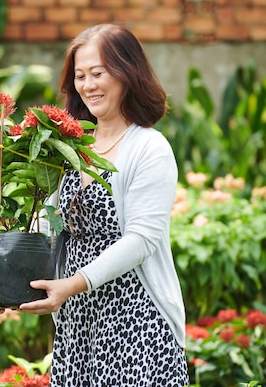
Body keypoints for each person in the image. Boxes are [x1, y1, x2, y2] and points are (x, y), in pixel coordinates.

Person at [18, 24, 190, 386]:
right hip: (78, 323)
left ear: (127, 73)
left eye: (98, 73)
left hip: (136, 323)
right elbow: (50, 225)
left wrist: (75, 283)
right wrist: (7, 277)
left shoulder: (150, 148)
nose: (88, 85)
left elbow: (142, 240)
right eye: (80, 76)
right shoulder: (72, 146)